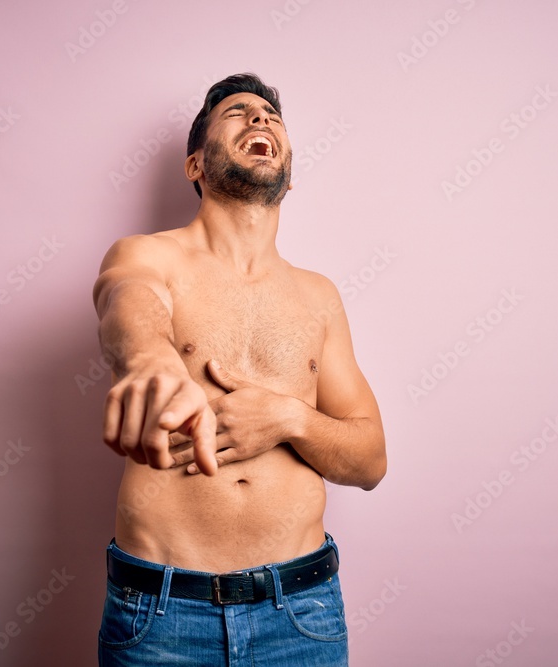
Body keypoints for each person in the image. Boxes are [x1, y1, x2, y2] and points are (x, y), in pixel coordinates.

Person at [92, 72, 386, 666]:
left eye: (270, 116)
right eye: (238, 113)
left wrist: (289, 419)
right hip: (161, 612)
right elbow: (127, 300)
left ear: (289, 175)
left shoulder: (318, 296)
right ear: (195, 165)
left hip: (301, 610)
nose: (260, 119)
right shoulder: (150, 254)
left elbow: (371, 460)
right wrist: (150, 358)